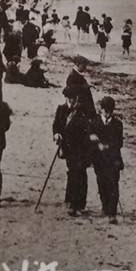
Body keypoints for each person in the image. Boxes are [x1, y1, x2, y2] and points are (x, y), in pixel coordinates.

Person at [52, 86, 91, 216]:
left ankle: (79, 203)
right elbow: (56, 125)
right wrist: (57, 134)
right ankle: (70, 201)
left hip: (81, 147)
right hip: (67, 146)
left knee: (80, 172)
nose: (72, 100)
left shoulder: (82, 110)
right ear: (66, 98)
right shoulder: (61, 109)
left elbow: (88, 128)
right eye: (70, 98)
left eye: (74, 98)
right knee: (72, 172)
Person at [91, 95, 123, 223]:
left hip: (113, 159)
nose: (108, 113)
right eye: (106, 110)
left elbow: (119, 142)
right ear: (101, 109)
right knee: (102, 183)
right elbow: (90, 135)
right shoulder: (95, 122)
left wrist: (108, 146)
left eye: (110, 111)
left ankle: (112, 213)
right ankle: (105, 206)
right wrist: (97, 143)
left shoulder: (117, 124)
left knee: (114, 184)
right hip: (99, 159)